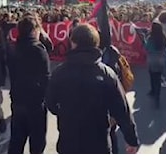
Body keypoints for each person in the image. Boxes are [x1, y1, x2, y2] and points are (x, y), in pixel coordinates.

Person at [46, 23, 139, 154]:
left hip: (69, 139)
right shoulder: (106, 73)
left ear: (73, 42)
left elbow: (50, 102)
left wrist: (64, 113)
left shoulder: (59, 72)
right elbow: (122, 109)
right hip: (98, 141)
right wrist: (132, 139)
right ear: (96, 43)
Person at [7, 16, 50, 153]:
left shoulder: (14, 48)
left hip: (17, 99)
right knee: (37, 142)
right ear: (34, 30)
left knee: (16, 141)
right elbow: (46, 78)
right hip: (35, 103)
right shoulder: (38, 49)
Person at [139, 21, 166, 109]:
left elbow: (146, 48)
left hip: (152, 59)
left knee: (152, 76)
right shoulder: (163, 38)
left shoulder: (150, 38)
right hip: (161, 59)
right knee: (158, 78)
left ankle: (152, 91)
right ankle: (157, 96)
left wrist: (143, 40)